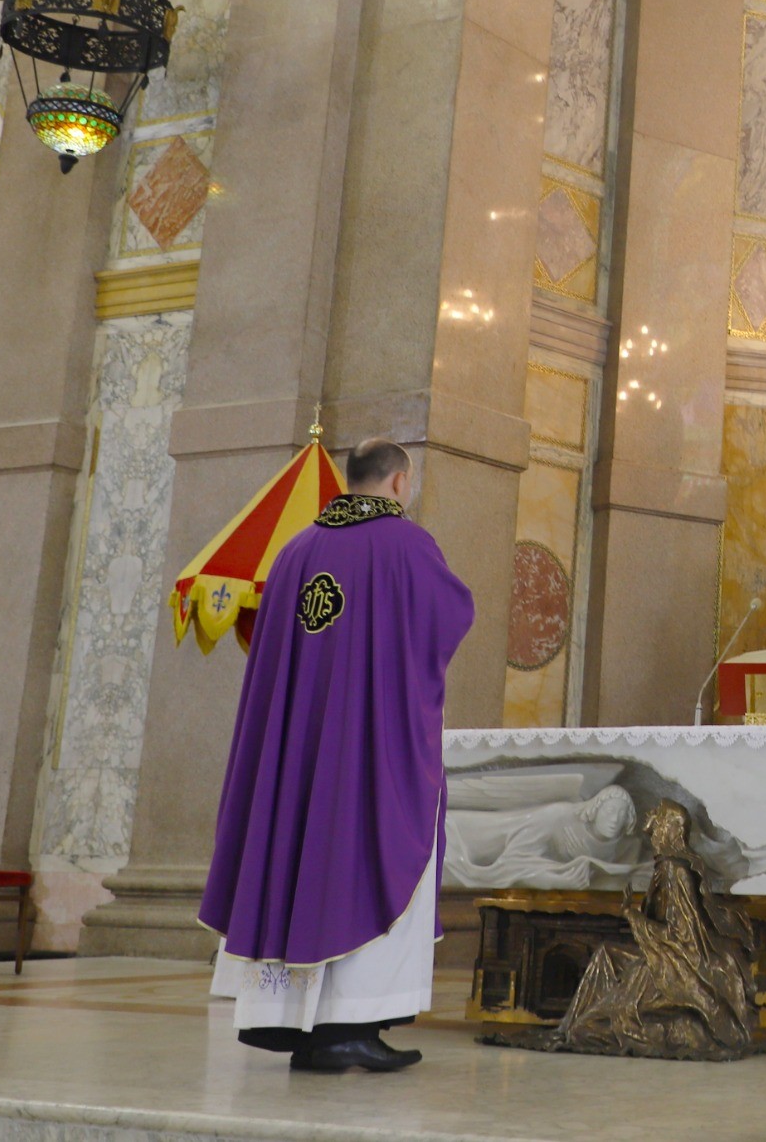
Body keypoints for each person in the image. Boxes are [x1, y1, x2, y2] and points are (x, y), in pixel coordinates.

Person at [200, 438, 474, 1073]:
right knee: (364, 856)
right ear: (400, 482)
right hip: (368, 748)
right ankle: (350, 1028)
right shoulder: (406, 544)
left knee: (300, 862)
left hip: (298, 754)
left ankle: (304, 1031)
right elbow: (452, 616)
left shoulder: (296, 550)